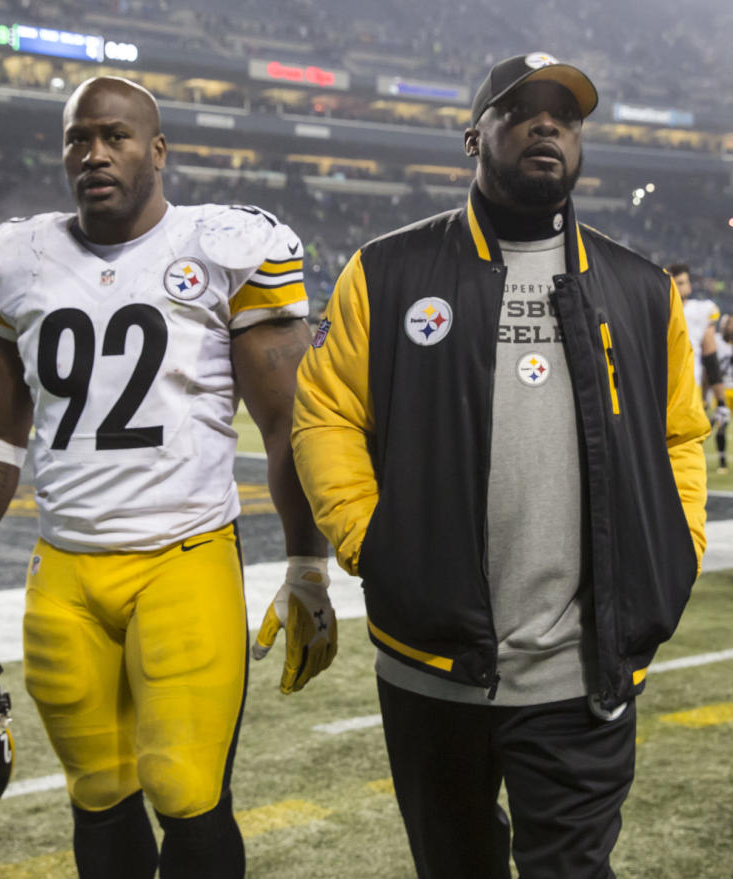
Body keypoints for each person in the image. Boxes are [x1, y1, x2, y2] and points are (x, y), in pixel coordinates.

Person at [291, 53, 709, 879]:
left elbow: (681, 437)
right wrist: (373, 543)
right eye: (521, 110)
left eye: (566, 115)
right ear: (473, 136)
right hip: (431, 666)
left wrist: (680, 543)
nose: (546, 124)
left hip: (583, 673)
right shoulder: (388, 271)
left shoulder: (640, 289)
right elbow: (328, 412)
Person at [0, 76, 332, 879]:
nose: (94, 153)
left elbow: (288, 425)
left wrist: (307, 568)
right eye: (78, 138)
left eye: (115, 135)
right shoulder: (17, 259)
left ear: (158, 149)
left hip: (184, 553)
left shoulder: (225, 246)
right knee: (98, 790)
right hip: (64, 568)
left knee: (185, 786)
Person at [668, 263, 728, 437]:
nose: (677, 288)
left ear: (689, 285)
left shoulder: (702, 310)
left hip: (690, 387)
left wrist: (721, 401)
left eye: (681, 282)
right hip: (661, 387)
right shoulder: (655, 310)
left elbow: (710, 356)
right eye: (673, 283)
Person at [713, 314, 733, 473]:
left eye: (731, 324)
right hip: (722, 390)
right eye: (726, 323)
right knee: (722, 426)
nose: (728, 327)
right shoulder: (715, 341)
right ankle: (722, 461)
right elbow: (708, 367)